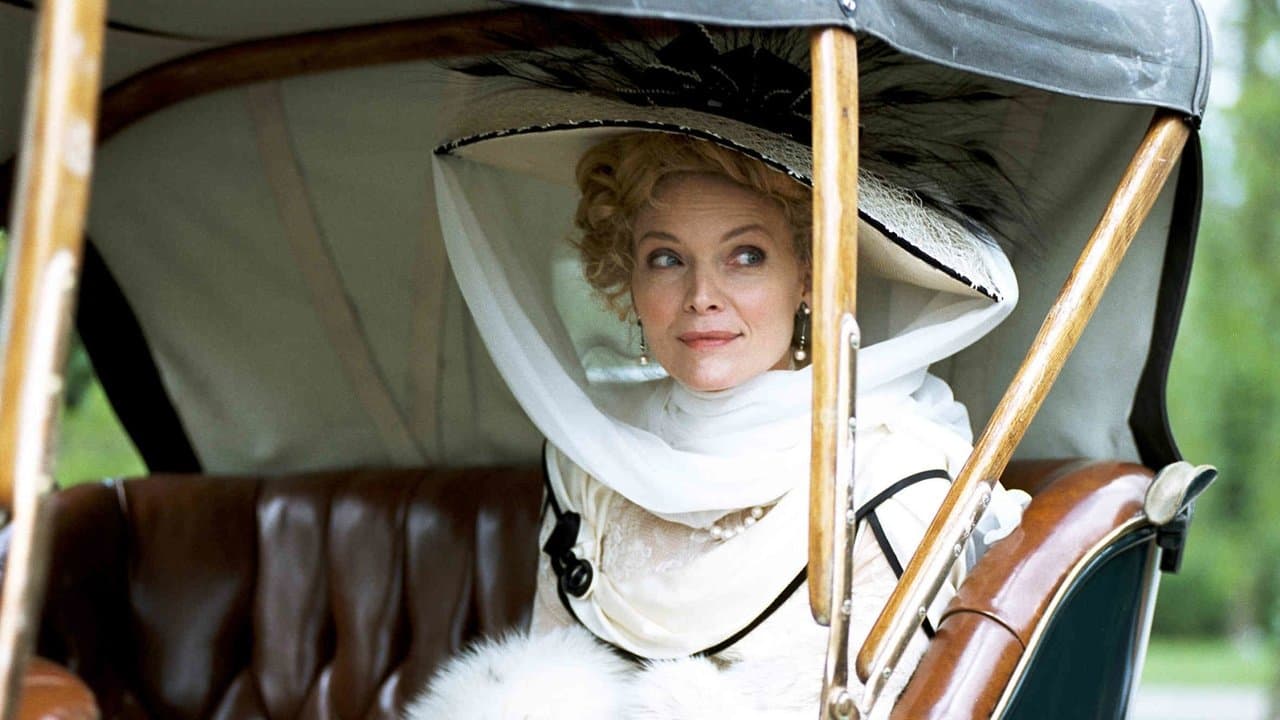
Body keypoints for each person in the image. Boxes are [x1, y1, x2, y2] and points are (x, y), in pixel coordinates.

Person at [411, 26, 1028, 718]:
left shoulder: (890, 476)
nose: (701, 295)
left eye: (746, 256)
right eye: (666, 259)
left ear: (810, 276)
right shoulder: (590, 461)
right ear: (627, 277)